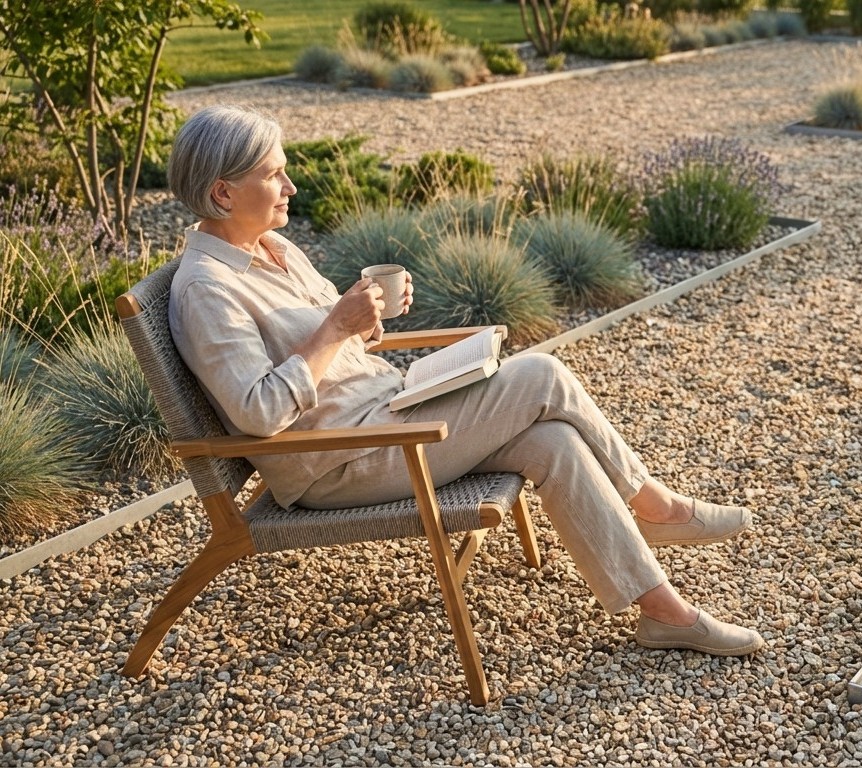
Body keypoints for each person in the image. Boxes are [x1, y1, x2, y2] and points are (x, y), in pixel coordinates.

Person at [164, 104, 764, 656]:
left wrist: (365, 323)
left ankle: (664, 614)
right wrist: (335, 327)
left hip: (389, 414)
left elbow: (330, 351)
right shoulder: (207, 291)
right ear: (223, 192)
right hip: (342, 460)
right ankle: (658, 508)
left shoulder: (273, 248)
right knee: (541, 373)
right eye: (274, 175)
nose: (291, 186)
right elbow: (259, 412)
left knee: (552, 441)